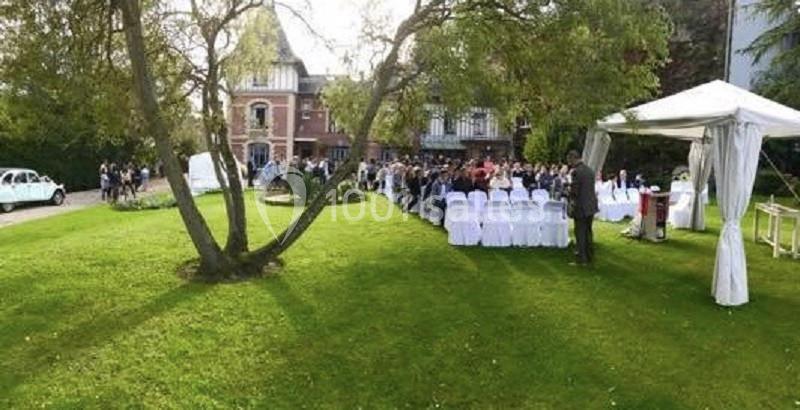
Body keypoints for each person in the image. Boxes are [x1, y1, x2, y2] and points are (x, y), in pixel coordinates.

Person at [566, 150, 598, 265]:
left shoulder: (576, 172)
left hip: (581, 206)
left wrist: (568, 190)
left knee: (580, 233)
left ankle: (581, 259)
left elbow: (575, 192)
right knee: (588, 232)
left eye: (569, 160)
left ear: (572, 158)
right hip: (591, 205)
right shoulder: (590, 170)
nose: (569, 163)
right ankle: (590, 257)